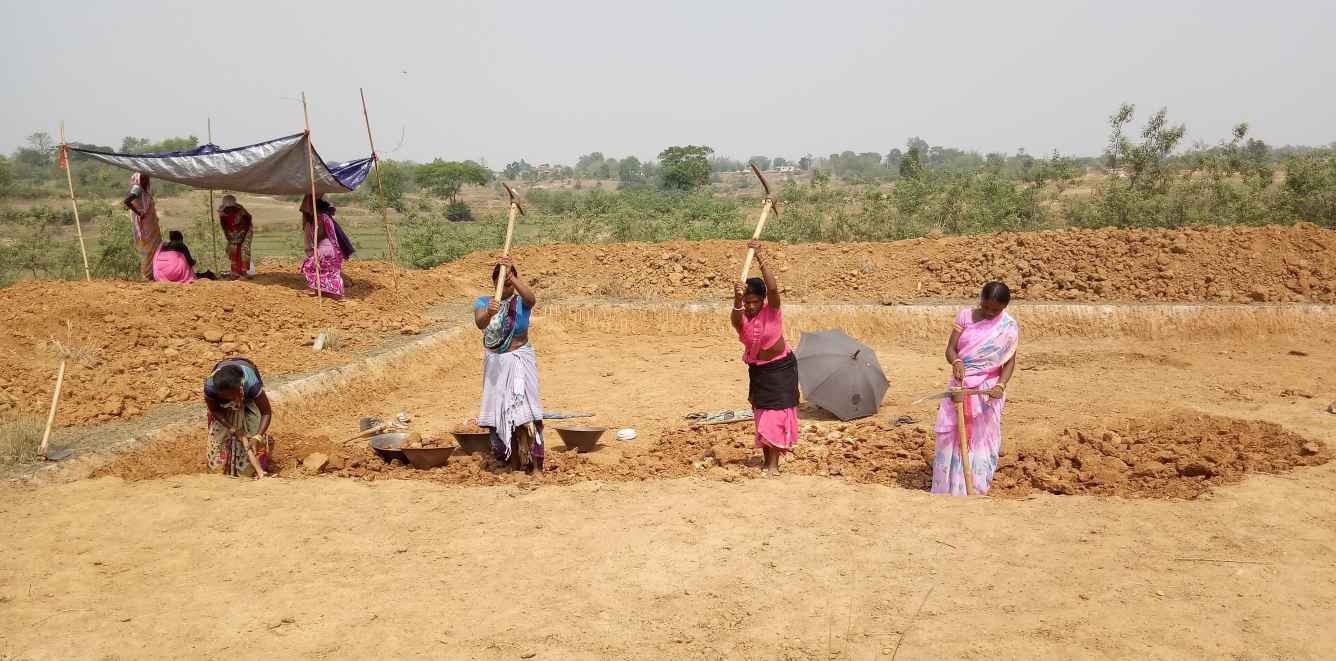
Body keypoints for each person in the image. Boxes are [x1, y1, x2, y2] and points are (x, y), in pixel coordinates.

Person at [932, 281, 1019, 496]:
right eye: (985, 306)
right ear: (980, 299)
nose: (989, 312)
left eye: (995, 310)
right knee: (952, 434)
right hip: (961, 385)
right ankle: (948, 488)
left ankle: (976, 487)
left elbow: (1009, 361)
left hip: (988, 391)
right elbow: (950, 349)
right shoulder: (965, 316)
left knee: (982, 436)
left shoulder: (1008, 326)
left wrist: (1001, 384)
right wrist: (957, 363)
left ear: (1004, 307)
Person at [731, 240, 800, 476]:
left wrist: (760, 257)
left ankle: (773, 466)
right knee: (762, 416)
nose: (751, 307)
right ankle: (766, 462)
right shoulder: (742, 320)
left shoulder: (772, 311)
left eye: (754, 302)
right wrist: (737, 299)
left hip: (781, 369)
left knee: (775, 417)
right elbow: (735, 317)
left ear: (762, 301)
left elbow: (772, 289)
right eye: (747, 302)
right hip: (759, 372)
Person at [473, 256, 544, 474]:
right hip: (496, 364)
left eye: (509, 283)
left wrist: (513, 277)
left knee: (528, 413)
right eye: (502, 282)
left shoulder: (521, 301)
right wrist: (490, 312)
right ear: (494, 283)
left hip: (519, 360)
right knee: (503, 414)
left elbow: (531, 299)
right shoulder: (485, 302)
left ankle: (537, 466)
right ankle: (512, 463)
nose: (505, 287)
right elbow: (480, 323)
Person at [203, 357, 274, 479]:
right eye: (225, 396)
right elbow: (214, 410)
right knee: (219, 441)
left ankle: (259, 470)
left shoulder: (251, 383)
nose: (230, 397)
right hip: (222, 407)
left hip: (249, 398)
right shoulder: (211, 388)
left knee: (254, 436)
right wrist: (231, 427)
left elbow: (266, 412)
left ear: (240, 387)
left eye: (232, 394)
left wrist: (257, 436)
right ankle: (223, 470)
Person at [299, 195, 344, 298]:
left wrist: (312, 253)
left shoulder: (316, 221)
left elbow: (310, 242)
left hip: (323, 249)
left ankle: (314, 289)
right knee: (330, 271)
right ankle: (333, 291)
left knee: (309, 266)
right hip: (332, 248)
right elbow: (333, 235)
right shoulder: (325, 219)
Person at [123, 172, 161, 281]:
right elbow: (127, 201)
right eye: (144, 179)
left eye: (147, 179)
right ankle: (147, 274)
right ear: (139, 180)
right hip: (145, 226)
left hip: (150, 225)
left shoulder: (144, 191)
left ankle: (152, 273)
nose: (146, 181)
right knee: (148, 249)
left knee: (153, 248)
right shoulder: (137, 189)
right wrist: (139, 212)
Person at [152, 230, 217, 283]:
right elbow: (190, 262)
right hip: (175, 273)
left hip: (162, 275)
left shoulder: (164, 246)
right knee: (184, 260)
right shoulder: (181, 245)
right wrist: (194, 261)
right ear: (180, 238)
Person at [217, 195, 255, 278]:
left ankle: (244, 271)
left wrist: (241, 232)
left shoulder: (240, 209)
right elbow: (224, 225)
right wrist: (230, 234)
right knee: (234, 252)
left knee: (244, 251)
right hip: (232, 235)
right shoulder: (222, 210)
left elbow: (248, 219)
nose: (229, 209)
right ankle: (235, 271)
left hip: (244, 233)